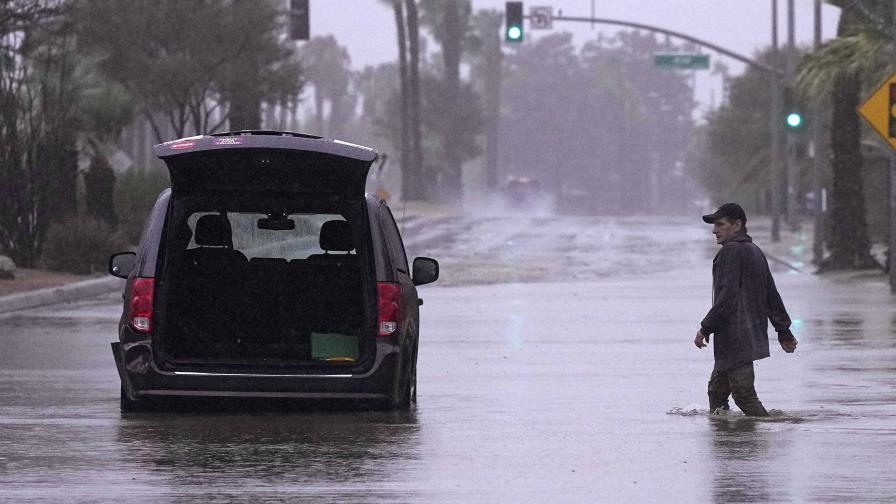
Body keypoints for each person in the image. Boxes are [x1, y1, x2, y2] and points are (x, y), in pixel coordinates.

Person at [694, 203, 798, 416]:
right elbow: (772, 295)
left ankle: (755, 443)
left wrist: (705, 327)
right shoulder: (755, 251)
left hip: (735, 338)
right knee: (716, 392)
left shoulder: (730, 252)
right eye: (714, 226)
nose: (714, 230)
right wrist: (783, 331)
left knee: (743, 395)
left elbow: (727, 298)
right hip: (748, 335)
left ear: (737, 225)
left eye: (720, 224)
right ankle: (727, 441)